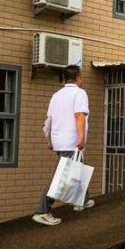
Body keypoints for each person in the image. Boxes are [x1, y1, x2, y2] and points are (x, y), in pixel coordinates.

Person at [34, 65, 94, 226]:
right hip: (71, 141)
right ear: (78, 78)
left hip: (59, 141)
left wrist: (50, 139)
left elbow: (48, 121)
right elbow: (79, 115)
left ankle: (82, 200)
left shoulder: (56, 96)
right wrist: (81, 138)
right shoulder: (79, 93)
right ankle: (42, 210)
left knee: (78, 167)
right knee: (61, 176)